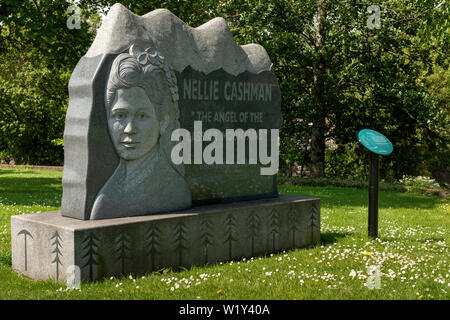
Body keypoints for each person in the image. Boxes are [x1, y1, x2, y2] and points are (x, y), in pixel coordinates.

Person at [90, 45, 191, 220]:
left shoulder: (173, 188)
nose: (129, 129)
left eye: (142, 116)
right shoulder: (110, 190)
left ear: (163, 121)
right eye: (120, 115)